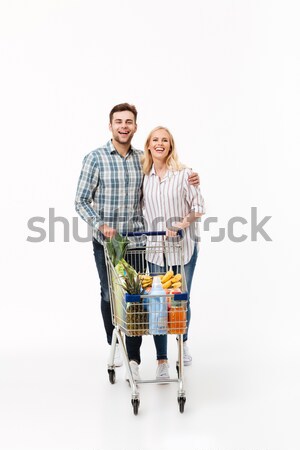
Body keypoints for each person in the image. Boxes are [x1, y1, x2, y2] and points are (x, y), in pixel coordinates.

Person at [75, 103, 199, 379]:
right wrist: (101, 225)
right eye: (118, 121)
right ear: (110, 126)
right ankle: (115, 341)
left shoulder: (142, 158)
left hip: (139, 242)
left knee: (140, 297)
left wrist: (191, 176)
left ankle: (138, 356)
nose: (123, 126)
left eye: (128, 122)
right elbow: (81, 201)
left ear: (134, 127)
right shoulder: (95, 159)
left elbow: (168, 169)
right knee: (110, 293)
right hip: (108, 242)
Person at [141, 126, 205, 380]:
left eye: (164, 140)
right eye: (155, 140)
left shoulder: (185, 174)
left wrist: (181, 224)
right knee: (158, 303)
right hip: (155, 250)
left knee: (182, 299)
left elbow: (198, 207)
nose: (160, 144)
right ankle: (162, 360)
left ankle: (183, 341)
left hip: (183, 246)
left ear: (170, 145)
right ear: (148, 145)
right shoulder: (143, 176)